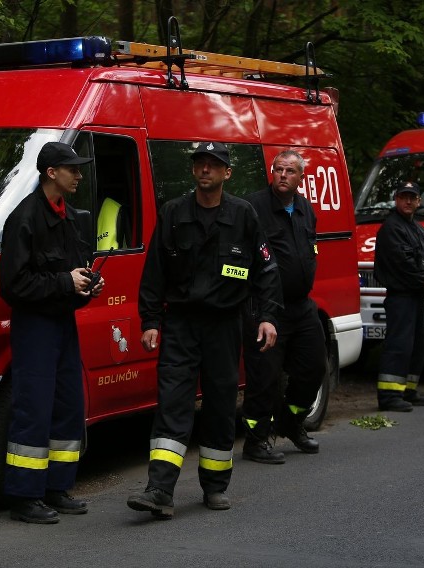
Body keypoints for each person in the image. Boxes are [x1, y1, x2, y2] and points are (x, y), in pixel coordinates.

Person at [127, 141, 282, 518]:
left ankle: (214, 486)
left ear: (227, 173)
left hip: (225, 325)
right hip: (180, 324)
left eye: (214, 164)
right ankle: (160, 490)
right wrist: (150, 320)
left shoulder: (244, 216)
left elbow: (267, 271)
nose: (206, 169)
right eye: (200, 163)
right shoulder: (174, 213)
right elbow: (154, 273)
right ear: (194, 170)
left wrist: (267, 316)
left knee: (219, 404)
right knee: (173, 404)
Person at [0, 141, 104, 524]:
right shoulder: (24, 219)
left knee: (68, 406)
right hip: (35, 328)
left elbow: (73, 272)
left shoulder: (70, 217)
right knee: (34, 410)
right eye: (72, 169)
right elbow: (13, 285)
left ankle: (58, 488)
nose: (78, 175)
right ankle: (25, 497)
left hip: (63, 323)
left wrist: (87, 284)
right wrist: (64, 282)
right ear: (50, 173)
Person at [240, 149, 322, 464]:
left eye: (290, 171)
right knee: (264, 377)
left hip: (302, 306)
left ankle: (291, 422)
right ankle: (256, 440)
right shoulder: (253, 207)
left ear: (301, 177)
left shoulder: (305, 209)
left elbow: (311, 246)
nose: (283, 175)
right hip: (266, 308)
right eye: (278, 170)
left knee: (314, 368)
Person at [374, 181, 424, 412]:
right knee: (399, 345)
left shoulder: (418, 229)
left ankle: (408, 390)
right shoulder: (392, 228)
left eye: (413, 197)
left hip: (416, 296)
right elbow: (404, 266)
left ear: (419, 201)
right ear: (396, 199)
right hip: (401, 296)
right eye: (404, 197)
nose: (408, 201)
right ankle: (389, 396)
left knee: (417, 345)